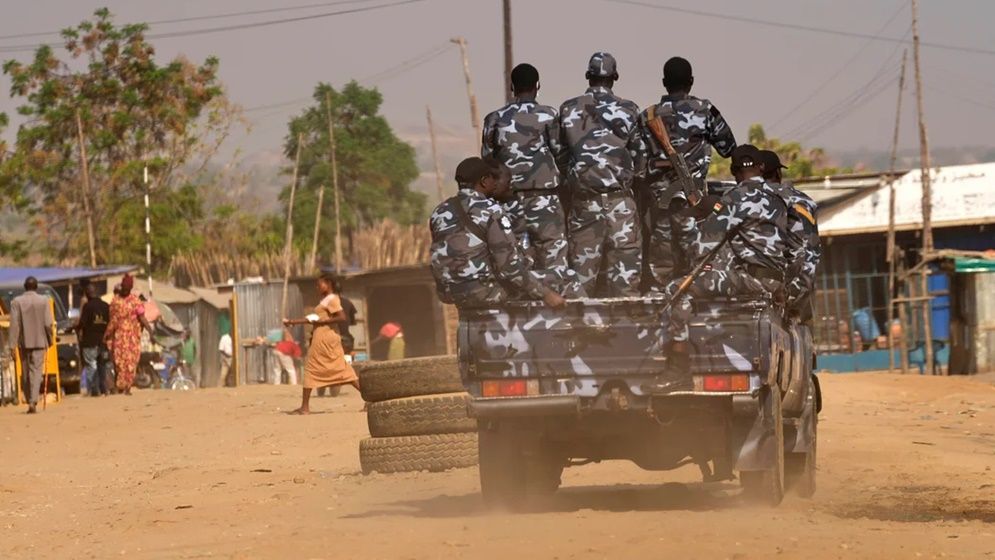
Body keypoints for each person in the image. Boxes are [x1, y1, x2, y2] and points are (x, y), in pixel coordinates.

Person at [654, 145, 789, 381]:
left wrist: (690, 221)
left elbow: (704, 246)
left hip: (750, 280)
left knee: (676, 291)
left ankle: (678, 366)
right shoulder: (778, 198)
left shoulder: (735, 198)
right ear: (761, 167)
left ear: (734, 171)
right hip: (775, 281)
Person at [634, 56, 737, 290]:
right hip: (695, 204)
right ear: (691, 81)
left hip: (659, 205)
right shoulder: (705, 110)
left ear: (664, 83)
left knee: (661, 272)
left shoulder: (648, 116)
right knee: (698, 267)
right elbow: (728, 148)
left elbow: (638, 165)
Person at [482, 63, 576, 291]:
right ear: (537, 86)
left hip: (508, 203)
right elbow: (562, 155)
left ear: (512, 87)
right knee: (554, 260)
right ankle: (556, 304)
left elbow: (487, 160)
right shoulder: (549, 115)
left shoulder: (494, 119)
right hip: (545, 201)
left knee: (514, 262)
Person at [429, 156, 567, 309]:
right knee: (566, 279)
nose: (495, 183)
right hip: (484, 292)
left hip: (449, 293)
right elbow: (509, 268)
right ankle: (580, 323)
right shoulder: (491, 211)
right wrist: (546, 294)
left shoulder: (439, 212)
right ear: (484, 181)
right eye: (492, 178)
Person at [558, 52, 644, 296]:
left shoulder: (568, 109)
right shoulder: (629, 109)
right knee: (626, 284)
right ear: (615, 77)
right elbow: (640, 158)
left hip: (585, 204)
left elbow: (560, 156)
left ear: (588, 76)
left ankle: (580, 322)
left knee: (580, 284)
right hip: (621, 204)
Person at [283, 274, 360, 415]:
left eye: (320, 285)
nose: (317, 287)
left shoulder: (332, 299)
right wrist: (293, 322)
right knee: (341, 370)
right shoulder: (325, 300)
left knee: (313, 368)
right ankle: (370, 399)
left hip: (326, 339)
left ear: (328, 284)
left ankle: (305, 407)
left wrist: (323, 322)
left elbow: (342, 317)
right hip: (321, 338)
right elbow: (315, 319)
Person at [759, 150, 821, 322]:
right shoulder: (802, 202)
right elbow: (809, 257)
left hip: (751, 302)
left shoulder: (739, 200)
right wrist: (793, 302)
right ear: (778, 173)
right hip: (793, 310)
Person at [7, 277, 53, 413]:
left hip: (24, 343)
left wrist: (12, 345)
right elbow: (48, 324)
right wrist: (50, 340)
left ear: (24, 286)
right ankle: (33, 400)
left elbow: (14, 325)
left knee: (26, 373)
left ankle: (30, 400)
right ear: (36, 287)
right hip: (40, 341)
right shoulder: (43, 301)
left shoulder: (16, 302)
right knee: (36, 372)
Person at [104, 274, 155, 395]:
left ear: (130, 288)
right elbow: (112, 320)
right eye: (124, 288)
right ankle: (120, 385)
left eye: (127, 289)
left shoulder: (135, 301)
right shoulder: (115, 301)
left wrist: (150, 331)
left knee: (131, 362)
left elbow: (142, 318)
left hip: (132, 337)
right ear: (122, 286)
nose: (125, 290)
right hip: (119, 337)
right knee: (119, 361)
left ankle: (127, 387)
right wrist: (107, 334)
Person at [77, 283, 111, 396]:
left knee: (91, 365)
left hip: (90, 341)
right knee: (102, 365)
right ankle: (104, 388)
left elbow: (82, 323)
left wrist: (75, 328)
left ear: (87, 294)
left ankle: (95, 389)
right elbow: (110, 323)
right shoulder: (106, 306)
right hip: (103, 342)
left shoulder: (87, 307)